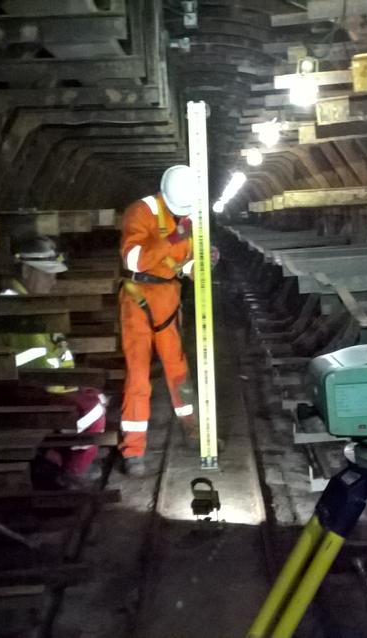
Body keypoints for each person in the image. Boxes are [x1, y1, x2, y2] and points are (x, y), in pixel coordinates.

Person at [0, 236, 108, 488]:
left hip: (37, 386)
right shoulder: (17, 309)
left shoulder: (26, 302)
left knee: (91, 398)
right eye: (46, 274)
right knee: (92, 410)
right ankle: (73, 472)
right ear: (25, 270)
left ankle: (58, 459)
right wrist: (73, 389)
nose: (53, 281)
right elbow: (37, 366)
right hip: (24, 391)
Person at [118, 165, 200, 477]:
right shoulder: (141, 211)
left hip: (168, 296)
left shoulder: (189, 215)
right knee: (138, 374)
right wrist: (173, 238)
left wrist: (198, 265)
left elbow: (183, 261)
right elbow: (133, 259)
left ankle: (192, 429)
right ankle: (134, 450)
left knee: (178, 368)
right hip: (138, 297)